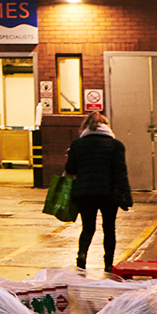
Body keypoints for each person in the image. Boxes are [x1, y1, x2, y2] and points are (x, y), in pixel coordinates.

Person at [63, 110, 133, 272]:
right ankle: (108, 264)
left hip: (84, 194)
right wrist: (126, 197)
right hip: (108, 194)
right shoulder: (116, 145)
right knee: (109, 228)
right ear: (106, 126)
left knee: (87, 228)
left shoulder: (77, 144)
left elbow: (71, 170)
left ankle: (81, 257)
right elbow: (120, 173)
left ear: (86, 126)